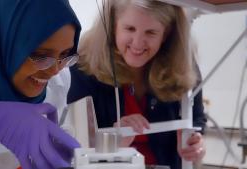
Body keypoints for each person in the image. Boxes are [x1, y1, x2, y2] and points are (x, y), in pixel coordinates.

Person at [67, 0, 206, 169]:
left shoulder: (183, 67)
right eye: (130, 29)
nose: (138, 43)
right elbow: (74, 149)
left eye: (151, 32)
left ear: (166, 34)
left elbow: (197, 122)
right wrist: (114, 145)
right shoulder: (84, 67)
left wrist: (195, 147)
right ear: (113, 26)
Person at [0, 0, 81, 168]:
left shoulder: (58, 82)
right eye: (41, 56)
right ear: (5, 39)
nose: (54, 70)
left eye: (65, 54)